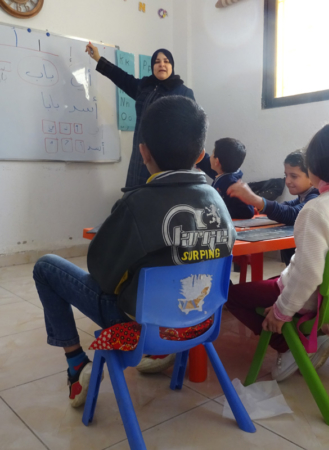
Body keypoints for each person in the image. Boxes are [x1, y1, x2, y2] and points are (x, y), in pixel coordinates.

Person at [33, 96, 236, 407]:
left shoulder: (136, 203)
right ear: (200, 155)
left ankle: (76, 363)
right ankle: (159, 351)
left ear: (143, 153)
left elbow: (102, 276)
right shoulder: (217, 199)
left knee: (46, 267)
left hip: (144, 325)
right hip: (202, 319)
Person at [227, 120, 329, 382]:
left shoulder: (318, 209)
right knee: (269, 281)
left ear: (317, 165)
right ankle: (315, 337)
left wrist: (281, 311)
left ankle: (288, 347)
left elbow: (309, 274)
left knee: (229, 294)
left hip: (310, 298)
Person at [86, 44, 195, 188]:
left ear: (172, 65)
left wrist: (193, 159)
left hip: (166, 163)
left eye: (166, 61)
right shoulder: (145, 86)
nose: (161, 64)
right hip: (139, 159)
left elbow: (193, 129)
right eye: (157, 61)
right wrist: (98, 58)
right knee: (135, 199)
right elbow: (121, 77)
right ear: (152, 66)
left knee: (159, 203)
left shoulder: (183, 93)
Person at [227, 150, 319, 264]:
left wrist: (258, 201)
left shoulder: (315, 197)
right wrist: (260, 207)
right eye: (286, 175)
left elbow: (294, 214)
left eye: (294, 176)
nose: (287, 181)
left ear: (312, 178)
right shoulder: (305, 196)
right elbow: (288, 205)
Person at [196, 138, 254, 219]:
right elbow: (207, 164)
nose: (210, 157)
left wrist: (221, 210)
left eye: (212, 155)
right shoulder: (225, 172)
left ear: (217, 161)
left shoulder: (230, 183)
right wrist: (198, 154)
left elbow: (248, 211)